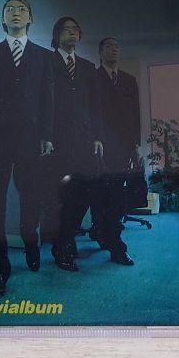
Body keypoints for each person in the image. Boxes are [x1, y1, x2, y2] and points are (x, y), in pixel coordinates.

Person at [0, 0, 54, 298]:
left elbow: (47, 99)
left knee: (31, 198)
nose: (15, 13)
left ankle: (31, 240)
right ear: (2, 19)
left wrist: (47, 135)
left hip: (31, 138)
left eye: (21, 10)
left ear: (30, 18)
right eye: (9, 10)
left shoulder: (44, 56)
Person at [49, 17, 104, 272]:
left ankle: (65, 239)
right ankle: (63, 245)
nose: (72, 33)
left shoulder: (87, 67)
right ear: (56, 35)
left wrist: (97, 136)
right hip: (55, 139)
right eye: (66, 29)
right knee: (60, 195)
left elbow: (95, 106)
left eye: (76, 29)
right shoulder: (45, 62)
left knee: (82, 194)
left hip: (83, 140)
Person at [93, 36, 139, 266]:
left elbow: (135, 115)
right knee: (101, 195)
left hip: (123, 146)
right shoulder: (92, 77)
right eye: (109, 46)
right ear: (100, 52)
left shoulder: (129, 80)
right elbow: (90, 111)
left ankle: (114, 244)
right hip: (99, 146)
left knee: (116, 196)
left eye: (117, 46)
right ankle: (105, 235)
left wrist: (136, 145)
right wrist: (95, 138)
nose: (114, 49)